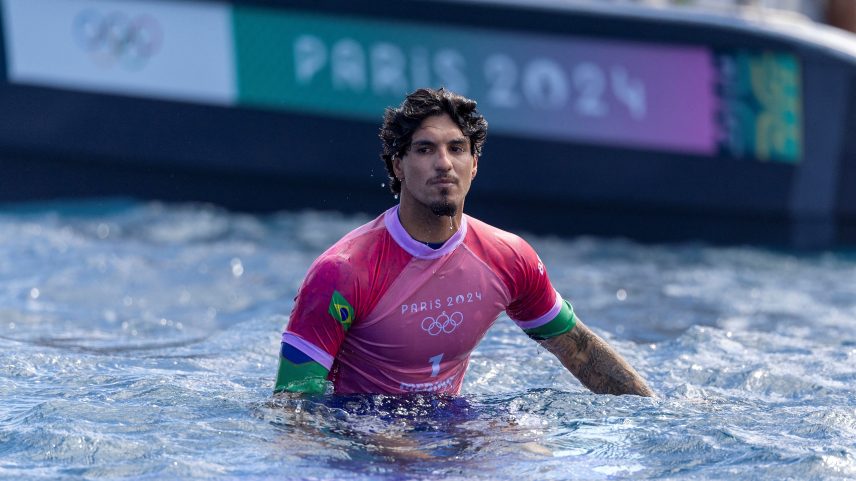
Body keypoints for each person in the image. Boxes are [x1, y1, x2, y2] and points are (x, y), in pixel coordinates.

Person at [274, 87, 653, 397]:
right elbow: (293, 410)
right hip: (362, 435)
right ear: (397, 165)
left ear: (474, 164)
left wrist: (654, 416)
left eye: (456, 148)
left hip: (454, 425)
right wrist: (376, 443)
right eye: (425, 149)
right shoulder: (341, 272)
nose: (444, 163)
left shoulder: (509, 258)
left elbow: (580, 350)